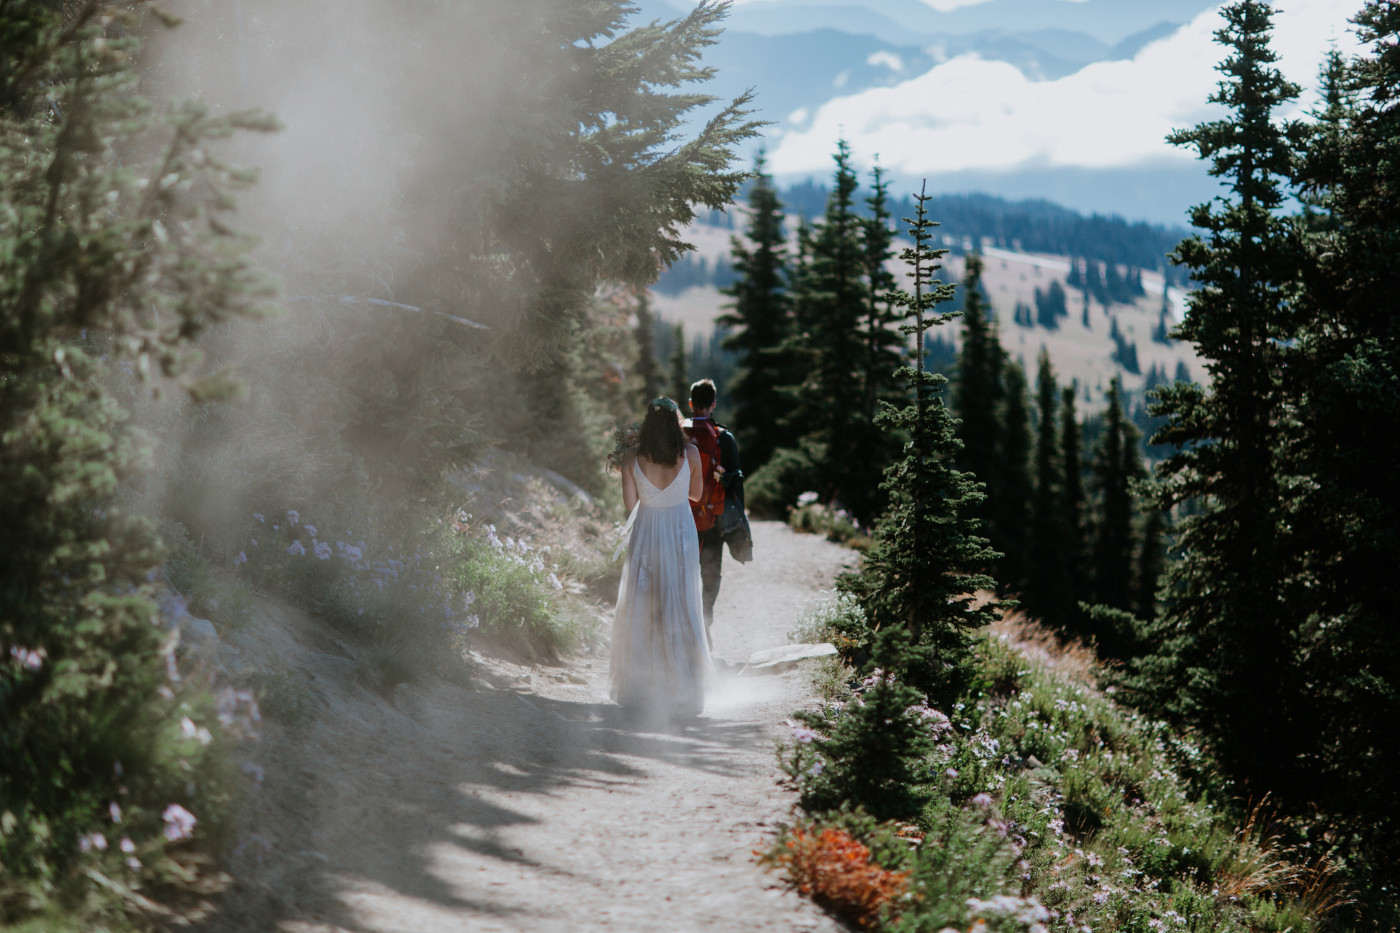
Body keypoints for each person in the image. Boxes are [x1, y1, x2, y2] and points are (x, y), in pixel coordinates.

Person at [610, 397, 712, 717]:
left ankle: (643, 687)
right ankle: (685, 685)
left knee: (644, 603)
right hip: (681, 530)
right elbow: (696, 495)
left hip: (648, 531)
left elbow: (630, 504)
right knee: (681, 603)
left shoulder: (630, 457)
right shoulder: (691, 453)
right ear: (676, 424)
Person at [683, 378, 744, 633]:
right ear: (714, 404)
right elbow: (735, 478)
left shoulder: (680, 434)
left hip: (683, 518)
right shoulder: (724, 438)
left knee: (685, 573)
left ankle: (686, 625)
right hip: (713, 520)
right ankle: (705, 620)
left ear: (690, 404)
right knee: (710, 574)